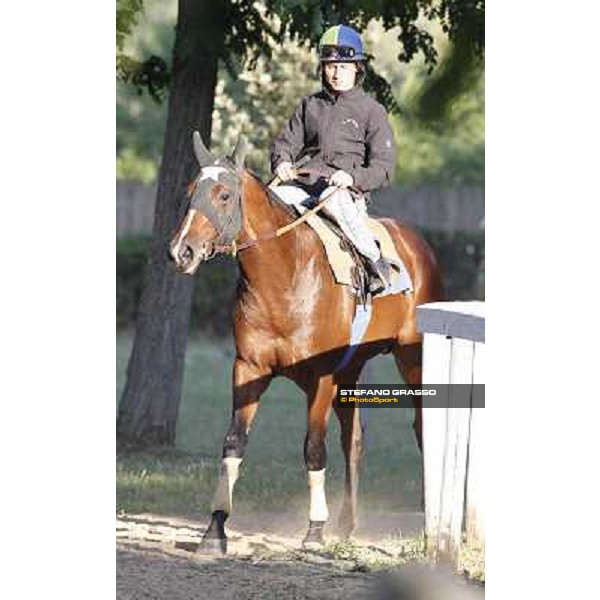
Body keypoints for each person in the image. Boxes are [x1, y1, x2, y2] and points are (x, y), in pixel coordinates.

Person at [270, 24, 397, 292]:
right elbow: (285, 143)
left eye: (343, 66)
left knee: (334, 199)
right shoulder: (310, 105)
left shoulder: (373, 111)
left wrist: (351, 177)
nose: (336, 73)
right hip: (304, 187)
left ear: (357, 69)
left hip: (346, 193)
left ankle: (375, 262)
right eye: (330, 66)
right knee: (268, 202)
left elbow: (384, 168)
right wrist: (281, 161)